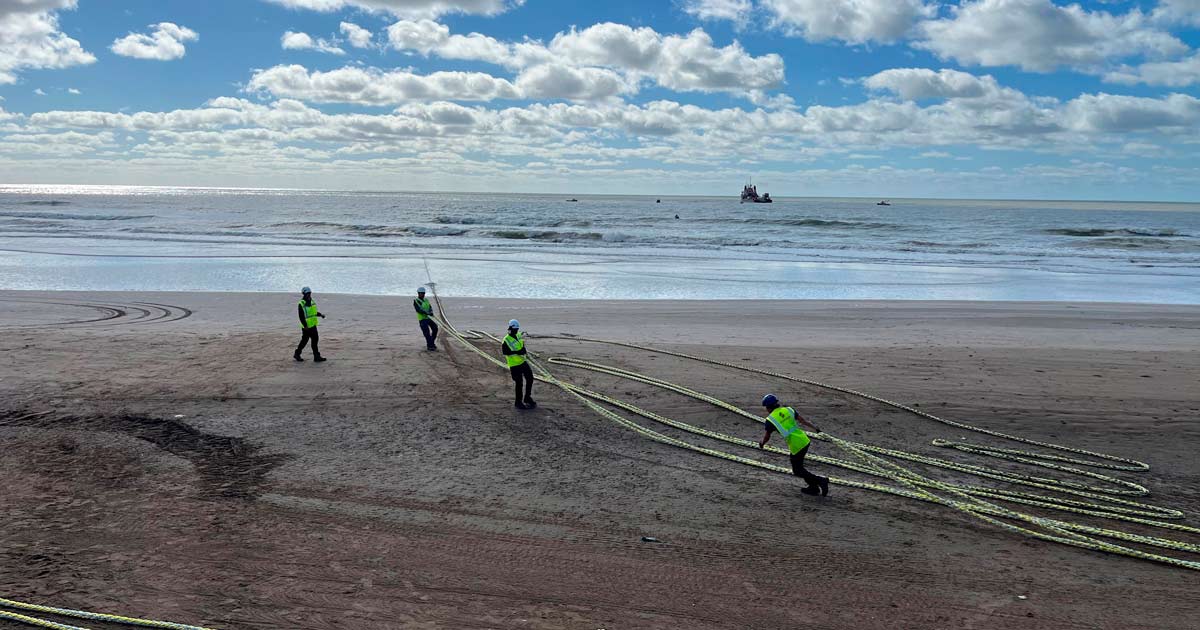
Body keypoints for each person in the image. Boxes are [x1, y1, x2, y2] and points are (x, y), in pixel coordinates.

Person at [758, 394, 829, 496]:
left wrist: (762, 443)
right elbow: (803, 421)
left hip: (796, 445)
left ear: (768, 407)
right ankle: (813, 487)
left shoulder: (770, 420)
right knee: (800, 467)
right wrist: (816, 429)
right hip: (804, 439)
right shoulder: (789, 410)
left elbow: (767, 437)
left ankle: (821, 480)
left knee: (797, 470)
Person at [501, 319, 536, 409]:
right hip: (514, 365)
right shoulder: (506, 340)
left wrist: (523, 349)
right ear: (510, 328)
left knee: (530, 378)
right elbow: (505, 352)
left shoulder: (518, 334)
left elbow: (521, 340)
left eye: (517, 329)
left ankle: (527, 398)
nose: (516, 331)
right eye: (515, 329)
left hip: (522, 362)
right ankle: (518, 402)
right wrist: (518, 352)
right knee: (519, 382)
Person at [295, 286, 326, 363]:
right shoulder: (301, 304)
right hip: (306, 327)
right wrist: (305, 326)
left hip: (313, 326)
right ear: (304, 294)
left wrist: (320, 315)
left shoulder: (312, 302)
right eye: (307, 293)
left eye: (309, 293)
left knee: (315, 340)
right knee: (304, 341)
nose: (309, 295)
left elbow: (313, 313)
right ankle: (297, 354)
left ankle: (316, 356)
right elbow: (301, 316)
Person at [414, 287, 438, 351]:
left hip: (428, 318)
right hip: (422, 319)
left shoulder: (426, 300)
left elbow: (430, 307)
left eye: (423, 293)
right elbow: (419, 309)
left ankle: (431, 343)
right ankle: (430, 346)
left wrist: (431, 312)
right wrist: (426, 312)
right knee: (427, 333)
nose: (422, 294)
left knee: (435, 328)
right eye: (421, 293)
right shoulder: (416, 301)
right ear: (418, 293)